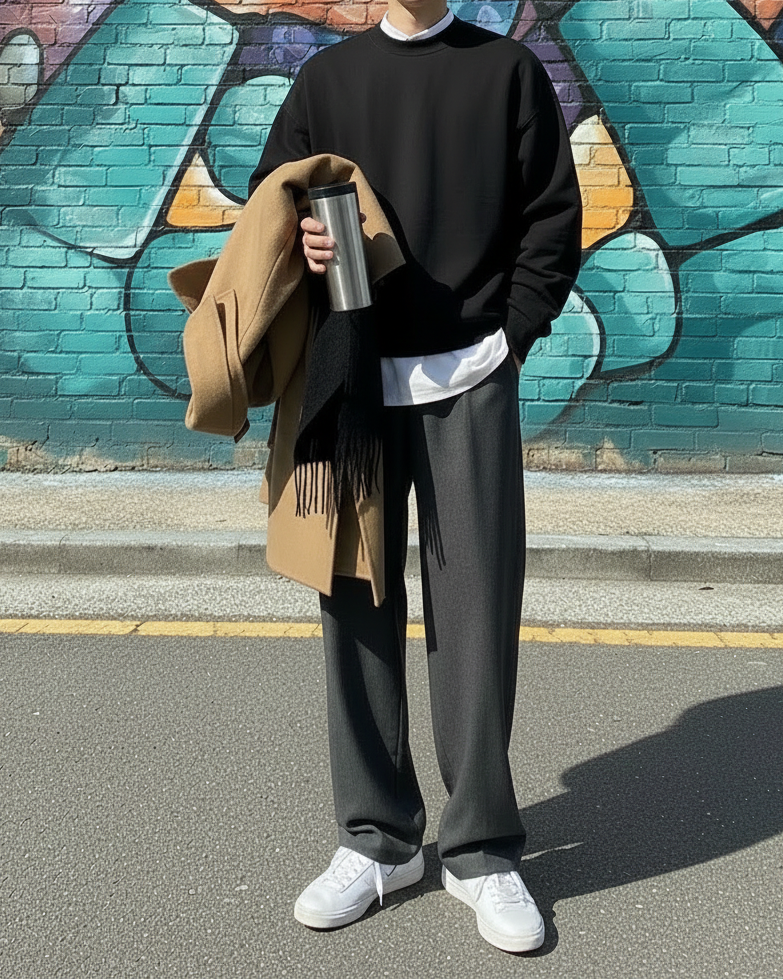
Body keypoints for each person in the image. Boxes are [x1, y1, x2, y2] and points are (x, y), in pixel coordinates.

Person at [247, 0, 582, 953]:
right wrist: (304, 240)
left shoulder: (506, 72)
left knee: (476, 608)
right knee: (352, 599)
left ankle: (479, 849)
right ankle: (376, 838)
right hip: (346, 375)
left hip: (469, 376)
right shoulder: (328, 79)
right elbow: (271, 202)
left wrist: (511, 337)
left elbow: (553, 217)